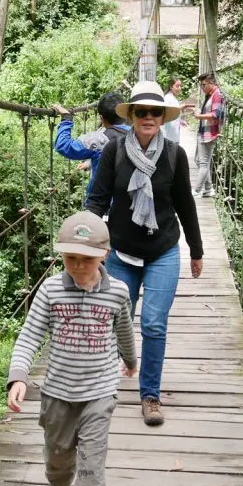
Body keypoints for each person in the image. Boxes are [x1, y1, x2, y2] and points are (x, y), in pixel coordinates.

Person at [6, 211, 137, 486]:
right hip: (58, 393)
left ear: (105, 255)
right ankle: (57, 485)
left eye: (87, 258)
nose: (78, 265)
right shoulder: (49, 290)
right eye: (70, 257)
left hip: (100, 391)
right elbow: (30, 336)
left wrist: (130, 359)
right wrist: (18, 376)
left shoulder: (117, 292)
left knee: (92, 471)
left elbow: (124, 328)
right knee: (59, 455)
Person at [87, 80, 204, 426]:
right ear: (133, 116)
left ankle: (149, 396)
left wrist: (196, 250)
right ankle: (103, 389)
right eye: (142, 112)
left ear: (161, 116)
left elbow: (185, 204)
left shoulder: (174, 154)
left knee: (153, 324)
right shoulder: (115, 151)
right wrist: (85, 237)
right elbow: (98, 197)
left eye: (155, 112)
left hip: (162, 250)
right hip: (120, 251)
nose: (149, 117)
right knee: (111, 323)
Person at [51, 92, 130, 202]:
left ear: (102, 118)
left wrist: (66, 117)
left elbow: (63, 145)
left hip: (101, 206)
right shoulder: (141, 135)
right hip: (133, 207)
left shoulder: (98, 140)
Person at [192, 72, 225, 197]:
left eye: (203, 85)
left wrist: (199, 116)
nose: (202, 88)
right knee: (199, 160)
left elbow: (216, 114)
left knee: (203, 163)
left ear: (211, 83)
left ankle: (197, 190)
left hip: (210, 133)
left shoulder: (217, 95)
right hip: (204, 132)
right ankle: (208, 188)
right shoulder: (211, 95)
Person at [160, 78, 184, 144]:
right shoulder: (167, 98)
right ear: (171, 87)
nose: (179, 88)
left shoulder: (174, 98)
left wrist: (180, 121)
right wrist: (180, 108)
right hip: (168, 134)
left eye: (180, 86)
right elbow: (166, 111)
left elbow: (174, 115)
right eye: (177, 86)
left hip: (173, 133)